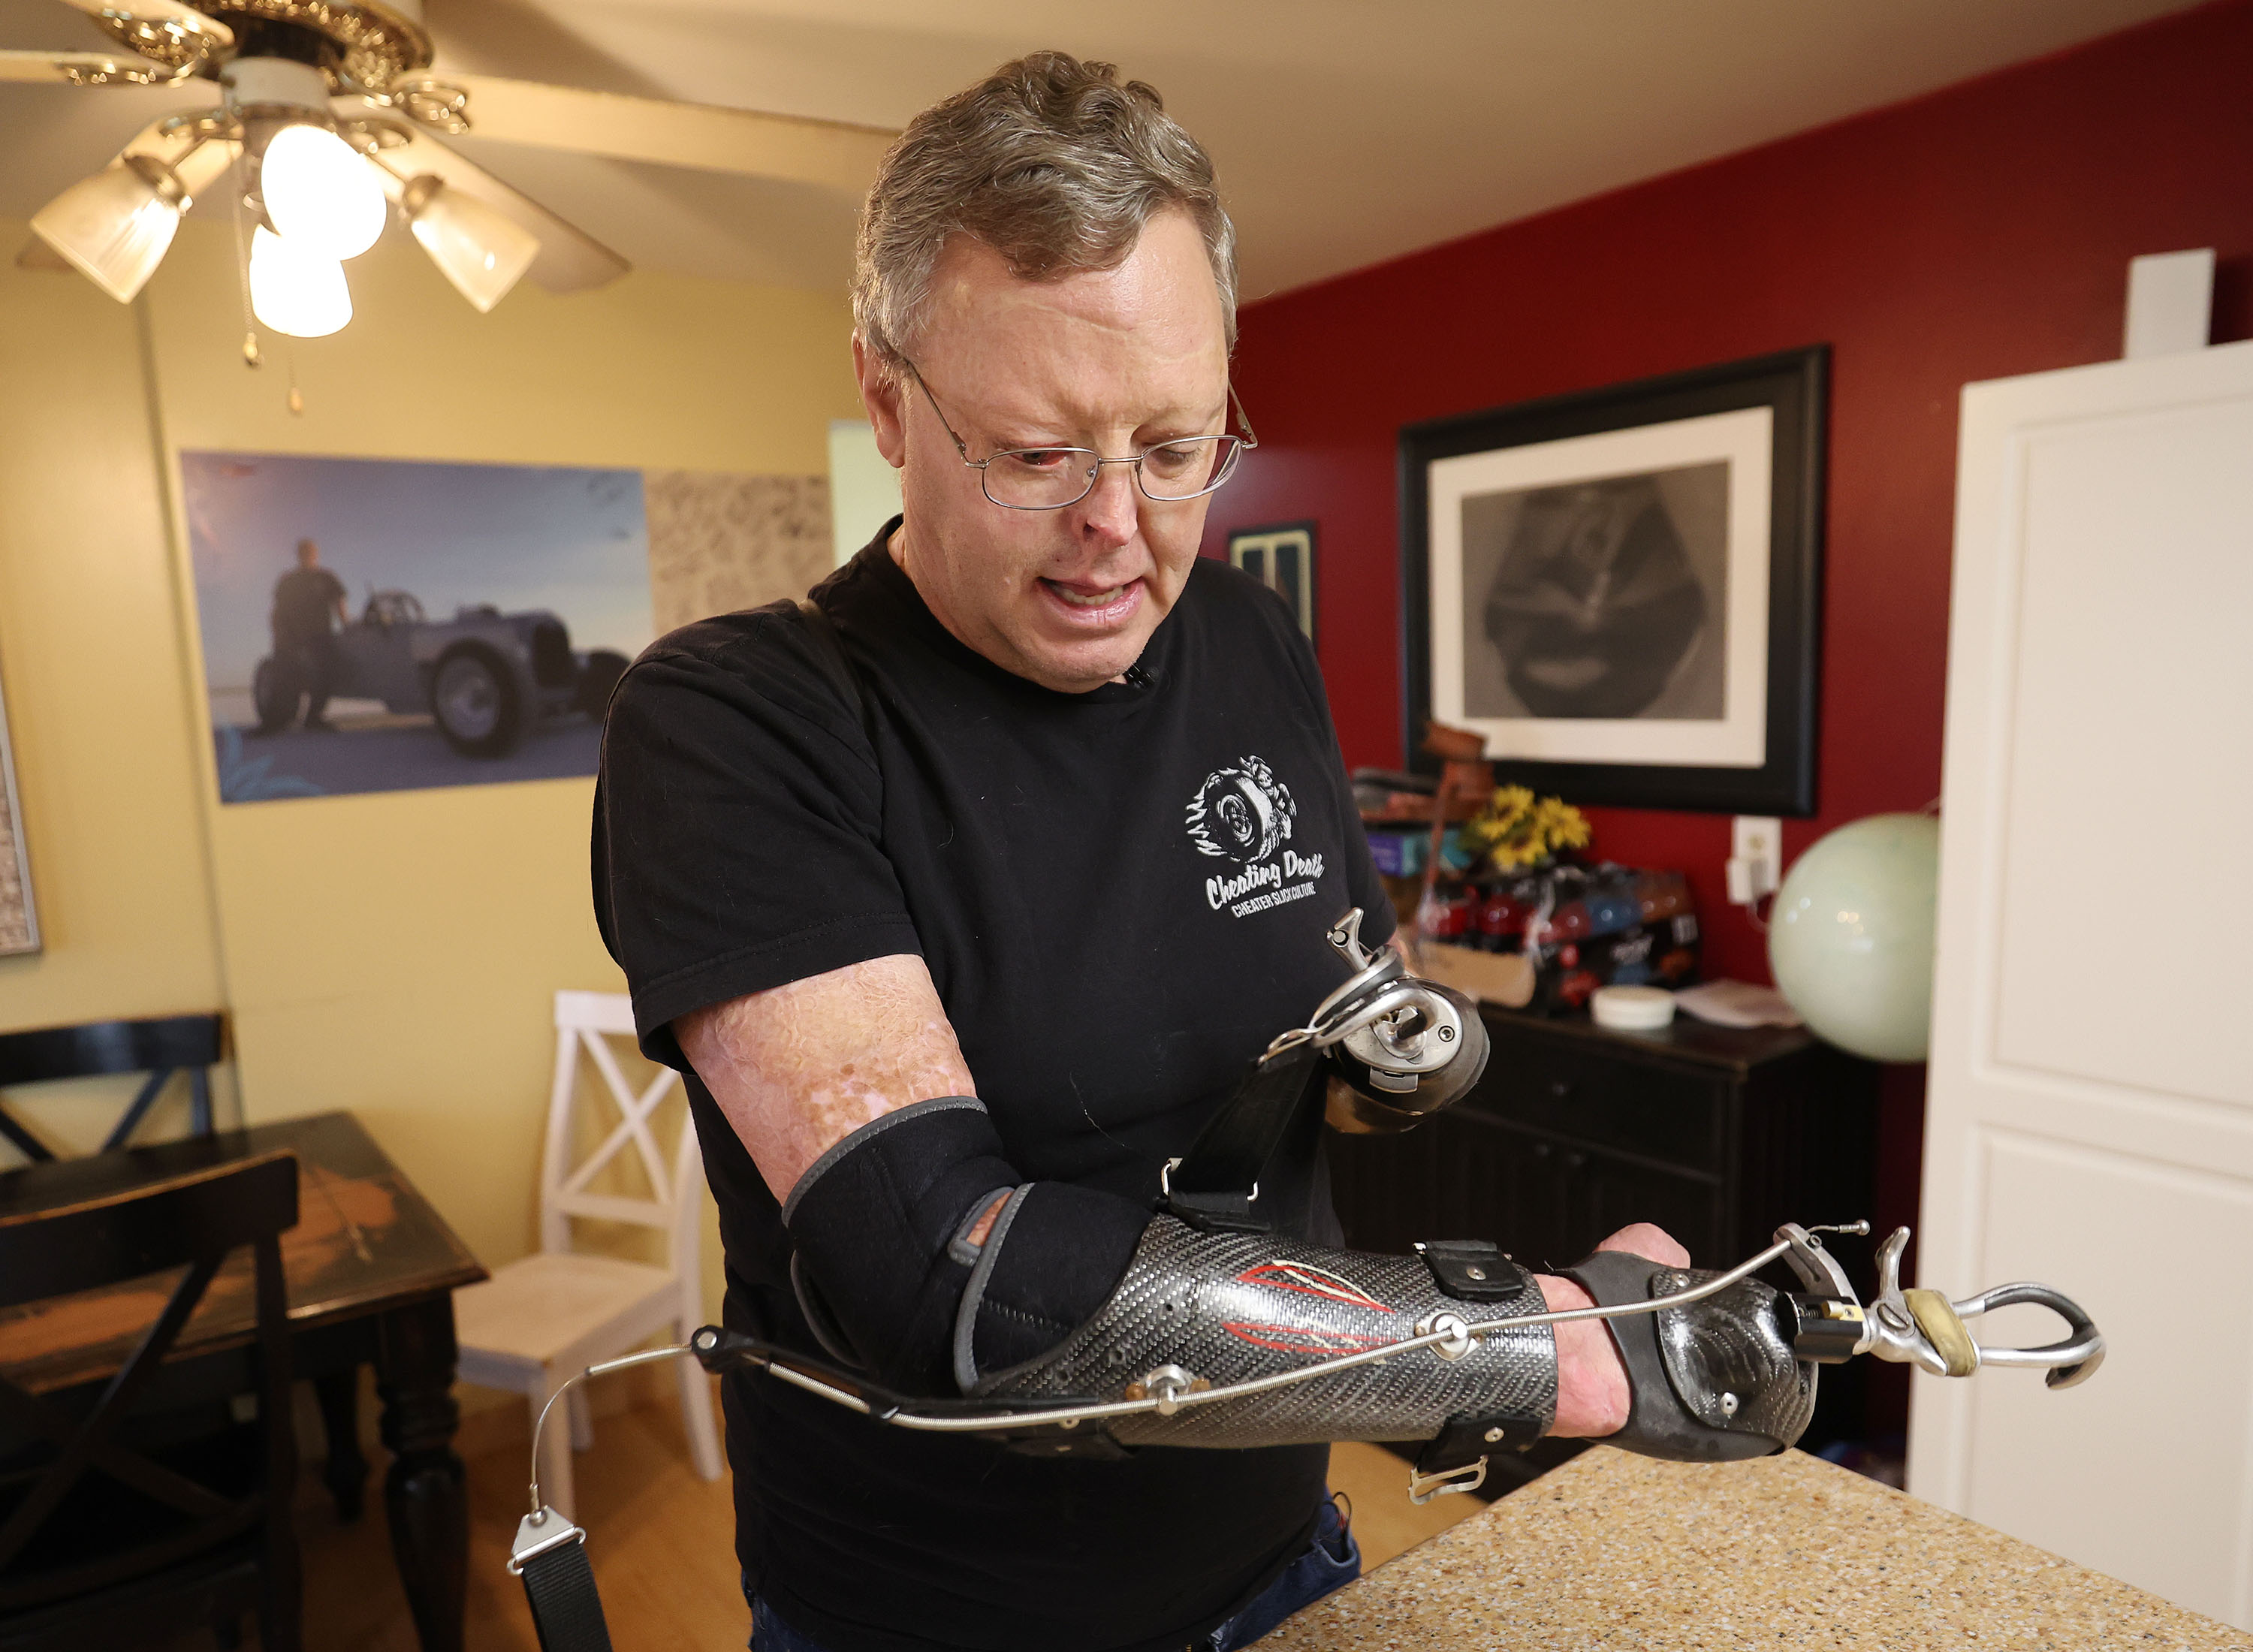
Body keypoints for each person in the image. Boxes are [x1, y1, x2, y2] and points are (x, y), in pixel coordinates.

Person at [596, 54, 1777, 1652]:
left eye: (1175, 446)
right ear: (888, 400)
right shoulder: (743, 720)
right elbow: (948, 1262)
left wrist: (1400, 1046)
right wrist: (1527, 1348)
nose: (1116, 526)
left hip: (1278, 1549)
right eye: (1037, 452)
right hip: (937, 1614)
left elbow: (1331, 1004)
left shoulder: (1243, 633)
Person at [263, 537, 347, 733]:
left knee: (324, 675)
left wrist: (346, 624)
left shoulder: (326, 578)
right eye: (304, 552)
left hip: (320, 636)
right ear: (299, 555)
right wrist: (277, 635)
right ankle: (280, 719)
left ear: (315, 555)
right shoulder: (288, 580)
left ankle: (313, 718)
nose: (308, 556)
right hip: (290, 638)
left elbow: (339, 601)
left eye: (311, 552)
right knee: (287, 678)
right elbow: (277, 610)